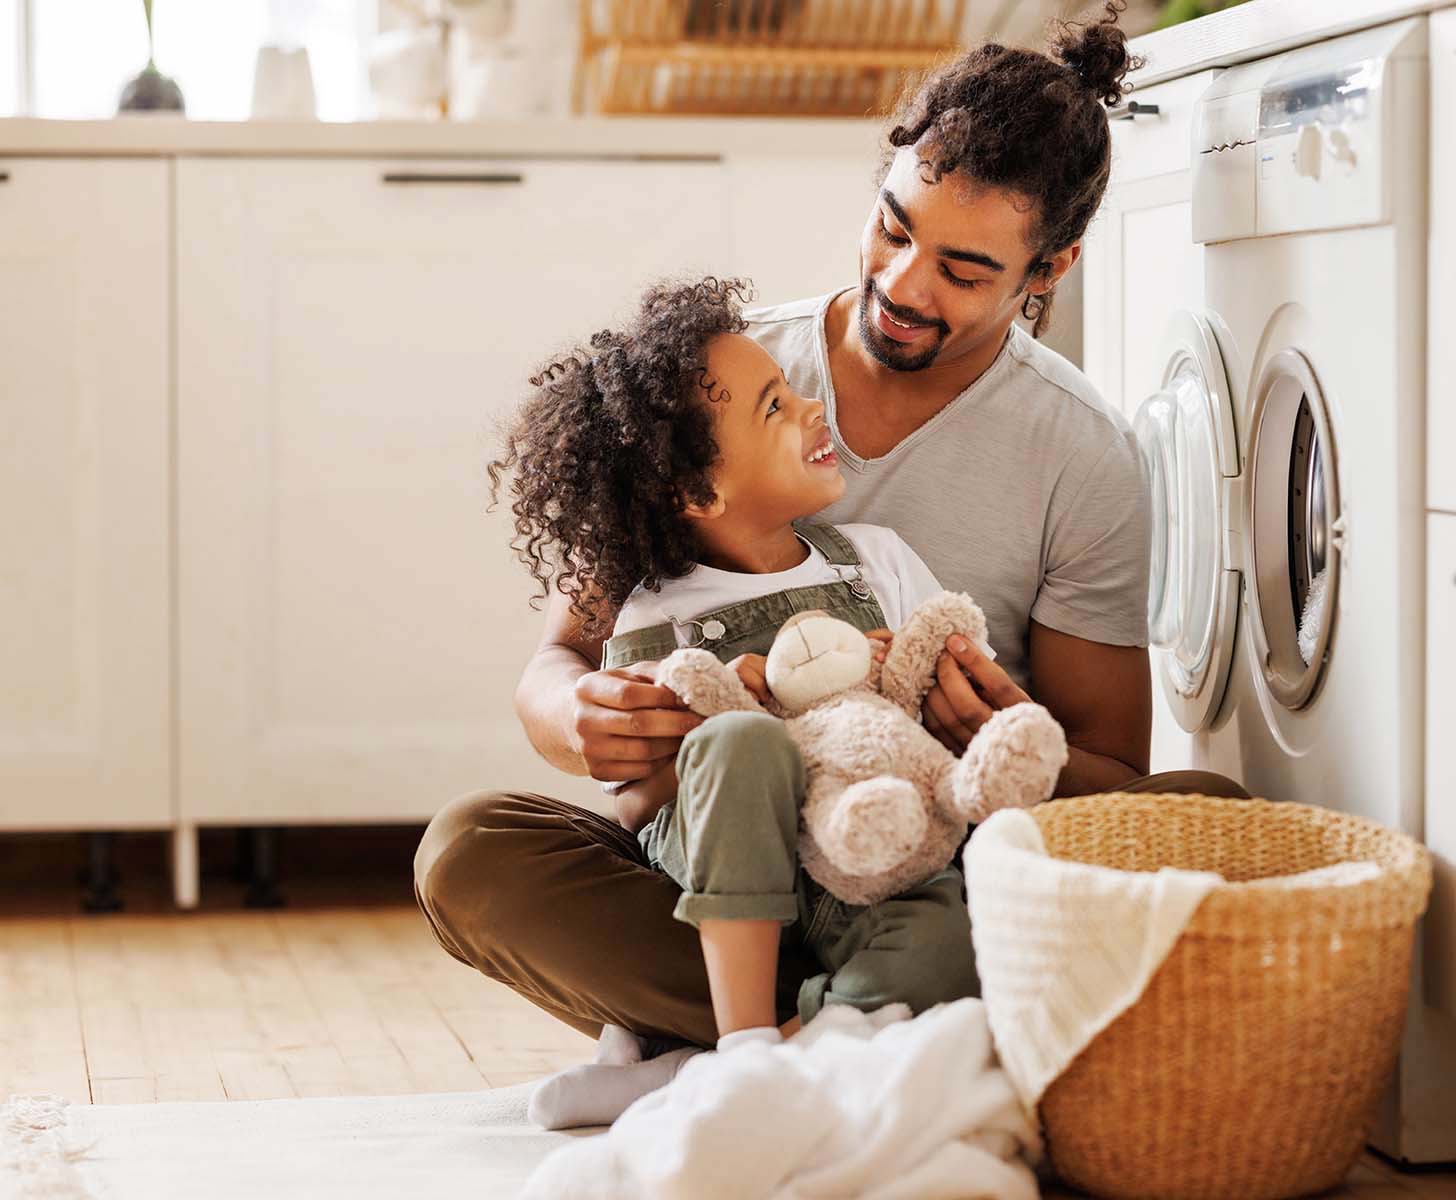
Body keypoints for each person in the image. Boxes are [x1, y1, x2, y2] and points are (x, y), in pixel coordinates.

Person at [414, 0, 1246, 1123]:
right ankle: (878, 1036)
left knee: (1211, 818)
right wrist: (586, 715)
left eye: (962, 268)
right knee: (470, 851)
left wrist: (987, 731)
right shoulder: (734, 378)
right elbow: (557, 661)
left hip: (925, 858)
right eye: (893, 227)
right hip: (713, 864)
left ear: (1048, 268)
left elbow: (1113, 779)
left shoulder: (1081, 457)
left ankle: (767, 1045)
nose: (904, 284)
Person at [491, 274, 996, 1127]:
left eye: (793, 392)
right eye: (773, 408)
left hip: (868, 866)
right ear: (698, 496)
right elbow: (639, 807)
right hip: (721, 893)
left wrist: (917, 695)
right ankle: (749, 1043)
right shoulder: (657, 608)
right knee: (742, 746)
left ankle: (711, 1069)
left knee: (954, 939)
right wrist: (714, 725)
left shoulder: (875, 562)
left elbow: (933, 736)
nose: (809, 409)